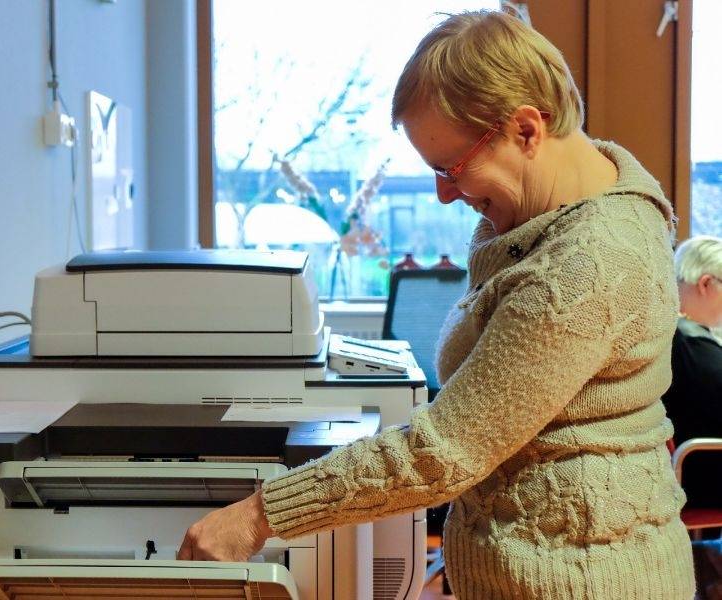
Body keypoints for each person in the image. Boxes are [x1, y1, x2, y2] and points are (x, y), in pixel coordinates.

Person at [179, 10, 695, 598]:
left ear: (527, 130)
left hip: (580, 581)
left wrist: (257, 515)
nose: (444, 193)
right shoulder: (570, 203)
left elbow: (443, 453)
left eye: (450, 167)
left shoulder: (584, 269)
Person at [662, 235, 722, 509]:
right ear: (707, 283)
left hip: (692, 465)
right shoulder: (689, 339)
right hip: (702, 471)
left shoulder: (670, 329)